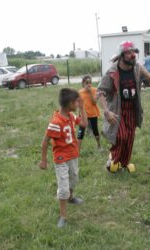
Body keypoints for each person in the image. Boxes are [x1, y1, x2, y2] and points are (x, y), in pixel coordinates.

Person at [97, 41, 150, 173]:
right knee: (121, 136)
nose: (133, 55)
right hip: (117, 109)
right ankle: (113, 158)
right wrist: (106, 111)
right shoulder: (112, 71)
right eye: (129, 52)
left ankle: (124, 164)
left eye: (134, 52)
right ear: (121, 55)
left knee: (130, 137)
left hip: (132, 108)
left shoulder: (138, 68)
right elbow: (100, 91)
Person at [40, 88, 88, 228]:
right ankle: (63, 216)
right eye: (76, 102)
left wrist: (82, 108)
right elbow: (45, 141)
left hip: (73, 156)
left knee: (74, 178)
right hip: (61, 159)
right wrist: (43, 160)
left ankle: (71, 198)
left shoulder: (71, 116)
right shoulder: (56, 122)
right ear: (69, 104)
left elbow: (84, 124)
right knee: (63, 187)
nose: (77, 103)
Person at [77, 75, 101, 149]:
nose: (89, 84)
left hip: (93, 114)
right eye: (87, 82)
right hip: (84, 115)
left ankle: (99, 145)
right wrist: (79, 114)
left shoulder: (94, 90)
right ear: (83, 83)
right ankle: (77, 149)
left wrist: (90, 92)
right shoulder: (80, 92)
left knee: (95, 130)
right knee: (81, 131)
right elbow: (79, 105)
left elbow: (94, 102)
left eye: (90, 82)